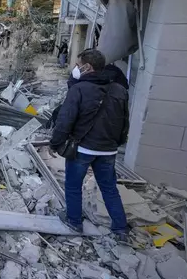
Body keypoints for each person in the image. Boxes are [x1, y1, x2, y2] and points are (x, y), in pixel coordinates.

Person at [50, 49, 130, 240]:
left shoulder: (79, 89)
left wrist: (55, 143)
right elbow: (124, 121)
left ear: (87, 67)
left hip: (82, 148)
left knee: (73, 185)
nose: (75, 69)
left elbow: (65, 119)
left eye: (78, 65)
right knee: (109, 188)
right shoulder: (119, 90)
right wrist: (117, 143)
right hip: (108, 150)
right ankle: (120, 228)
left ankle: (74, 221)